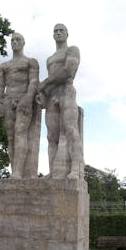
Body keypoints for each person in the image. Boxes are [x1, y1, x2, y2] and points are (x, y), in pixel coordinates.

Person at [0, 33, 39, 179]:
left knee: (20, 132)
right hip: (8, 100)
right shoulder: (4, 66)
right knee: (10, 138)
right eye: (13, 40)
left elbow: (34, 82)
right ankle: (14, 171)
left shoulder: (31, 62)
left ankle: (18, 173)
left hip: (23, 100)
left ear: (23, 43)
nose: (15, 42)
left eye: (18, 40)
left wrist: (28, 100)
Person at [37, 24, 82, 179]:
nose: (58, 33)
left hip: (67, 91)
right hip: (52, 96)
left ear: (67, 34)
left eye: (61, 30)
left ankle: (75, 169)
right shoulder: (50, 59)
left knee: (71, 129)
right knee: (51, 136)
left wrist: (44, 83)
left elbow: (68, 70)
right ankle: (53, 171)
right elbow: (52, 81)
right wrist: (43, 93)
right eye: (55, 31)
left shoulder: (72, 50)